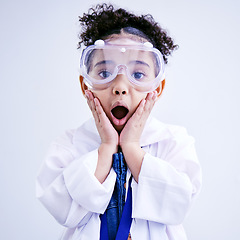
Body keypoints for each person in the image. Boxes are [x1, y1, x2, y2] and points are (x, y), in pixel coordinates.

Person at [36, 3, 202, 240]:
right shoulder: (70, 144)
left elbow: (179, 203)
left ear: (157, 87)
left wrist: (132, 148)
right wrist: (106, 148)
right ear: (85, 85)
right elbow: (63, 209)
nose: (120, 87)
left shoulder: (174, 141)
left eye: (137, 75)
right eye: (104, 74)